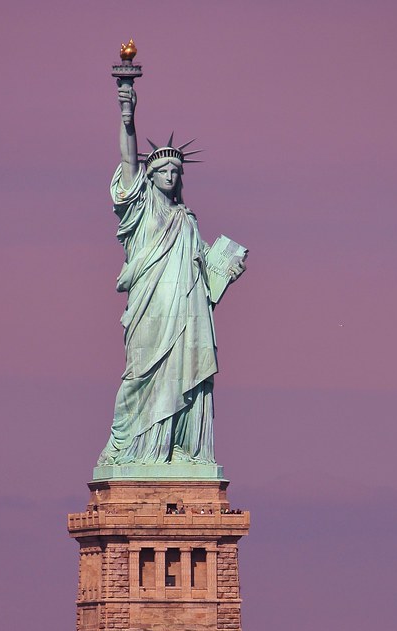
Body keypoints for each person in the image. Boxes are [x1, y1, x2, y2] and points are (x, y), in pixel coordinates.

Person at [97, 80, 245, 468]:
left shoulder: (187, 221)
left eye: (176, 171)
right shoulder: (141, 211)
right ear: (151, 175)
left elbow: (203, 276)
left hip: (188, 311)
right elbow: (129, 164)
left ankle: (179, 448)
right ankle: (132, 448)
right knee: (140, 375)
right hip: (151, 307)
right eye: (162, 169)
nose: (170, 175)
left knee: (186, 375)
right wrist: (127, 117)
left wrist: (225, 271)